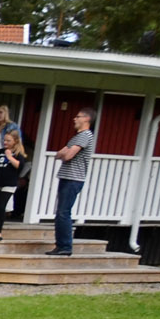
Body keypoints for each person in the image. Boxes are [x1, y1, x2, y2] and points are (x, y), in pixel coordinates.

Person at [49, 108, 96, 257]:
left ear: (86, 119)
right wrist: (63, 153)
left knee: (64, 213)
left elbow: (67, 155)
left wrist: (65, 153)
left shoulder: (85, 136)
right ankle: (60, 245)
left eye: (78, 116)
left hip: (73, 178)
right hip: (67, 177)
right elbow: (58, 154)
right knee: (60, 213)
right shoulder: (77, 137)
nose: (74, 119)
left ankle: (65, 246)